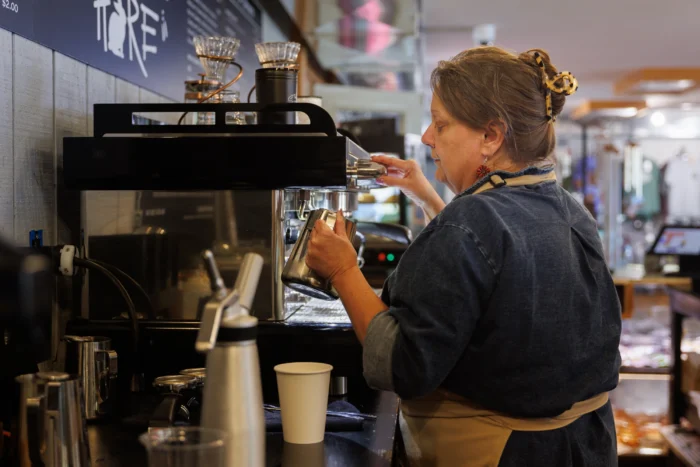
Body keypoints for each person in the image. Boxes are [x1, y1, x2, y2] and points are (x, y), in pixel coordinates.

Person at [306, 46, 621, 466]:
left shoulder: (471, 220)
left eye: (441, 124)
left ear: (491, 136)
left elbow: (405, 367)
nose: (427, 138)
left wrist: (343, 270)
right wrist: (431, 200)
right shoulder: (569, 206)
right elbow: (496, 270)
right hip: (584, 445)